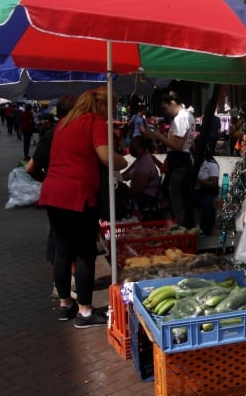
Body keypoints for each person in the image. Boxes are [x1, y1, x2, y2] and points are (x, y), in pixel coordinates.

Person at [38, 87, 128, 328]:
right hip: (77, 195)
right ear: (101, 106)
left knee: (62, 252)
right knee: (84, 252)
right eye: (111, 108)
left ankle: (66, 305)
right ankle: (86, 312)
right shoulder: (94, 122)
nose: (111, 114)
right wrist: (123, 161)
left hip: (53, 193)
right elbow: (106, 157)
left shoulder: (64, 123)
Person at [146, 91, 196, 228]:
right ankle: (187, 231)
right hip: (183, 160)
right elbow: (191, 144)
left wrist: (159, 137)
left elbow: (178, 145)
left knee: (177, 201)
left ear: (172, 103)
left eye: (165, 108)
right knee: (182, 199)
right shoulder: (188, 116)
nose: (166, 112)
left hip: (180, 161)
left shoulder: (181, 118)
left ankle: (182, 230)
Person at [122, 136, 164, 221]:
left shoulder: (145, 161)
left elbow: (138, 188)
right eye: (132, 146)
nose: (132, 149)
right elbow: (124, 176)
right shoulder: (140, 160)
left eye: (135, 147)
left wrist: (126, 194)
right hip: (142, 195)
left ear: (143, 147)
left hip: (147, 197)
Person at [194, 144, 219, 235]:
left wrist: (198, 180)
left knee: (207, 203)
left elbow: (213, 184)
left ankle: (205, 232)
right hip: (196, 191)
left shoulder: (211, 164)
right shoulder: (193, 162)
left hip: (207, 192)